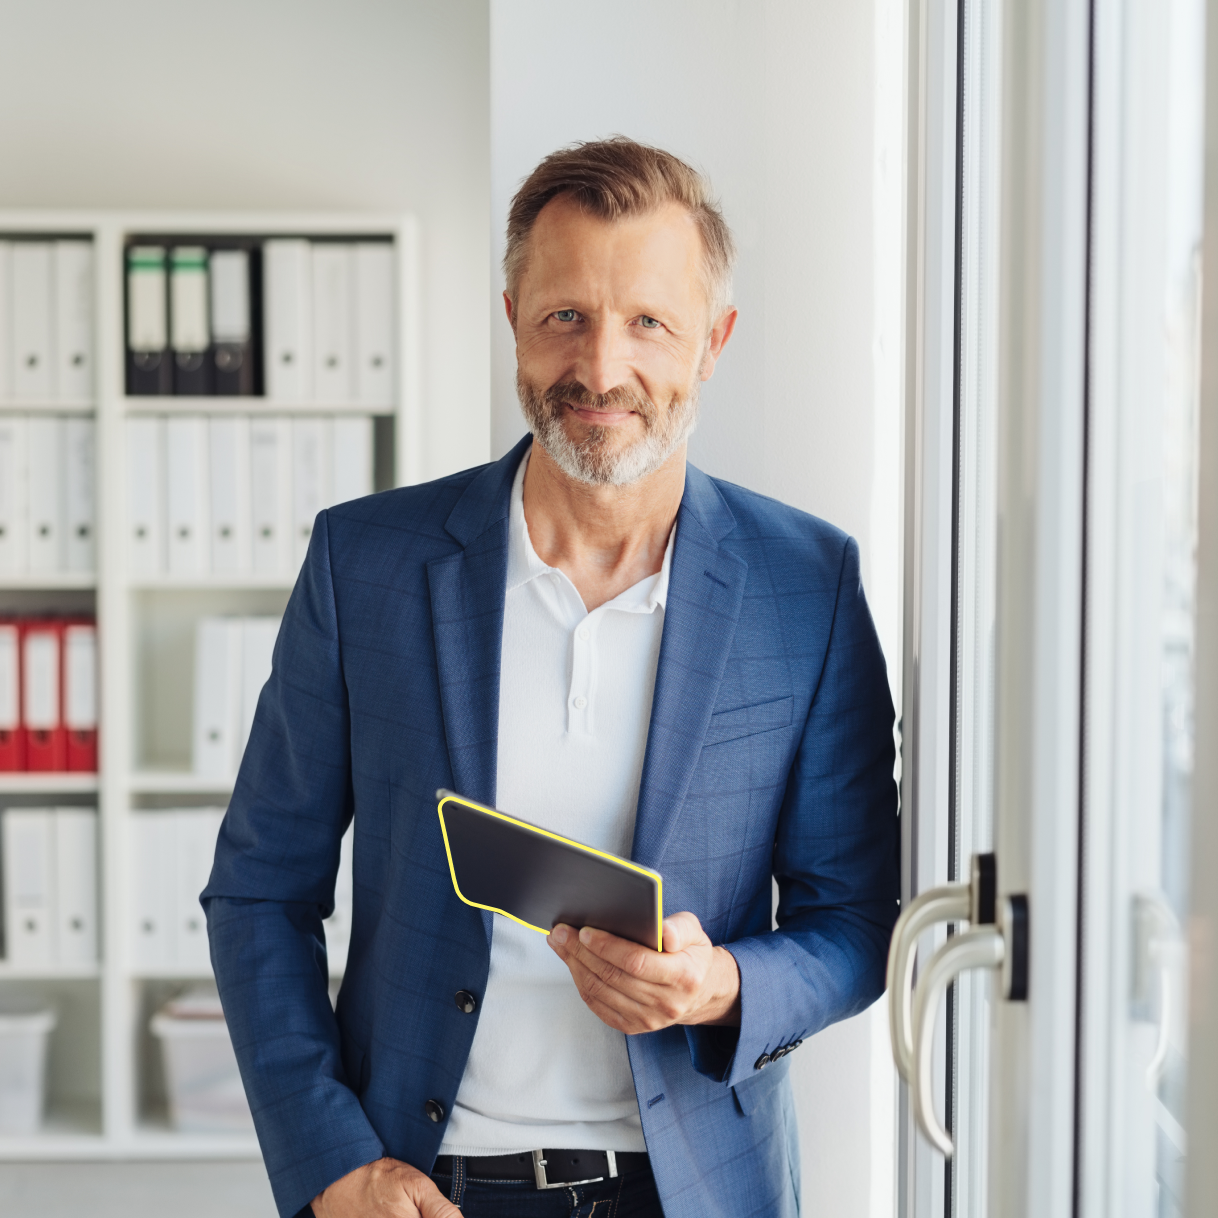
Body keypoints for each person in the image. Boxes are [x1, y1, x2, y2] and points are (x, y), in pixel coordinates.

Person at [203, 136, 900, 1218]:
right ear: (514, 321)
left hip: (696, 1192)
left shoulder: (806, 585)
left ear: (713, 341)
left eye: (648, 323)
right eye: (565, 316)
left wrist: (721, 986)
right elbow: (259, 890)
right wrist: (329, 1160)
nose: (602, 368)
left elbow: (856, 920)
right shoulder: (367, 564)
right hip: (419, 1189)